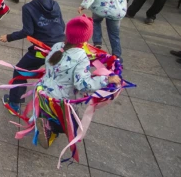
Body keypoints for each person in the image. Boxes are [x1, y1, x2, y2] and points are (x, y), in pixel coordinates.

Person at [35, 16, 121, 148]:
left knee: (48, 111)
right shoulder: (81, 56)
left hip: (44, 90)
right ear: (86, 38)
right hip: (62, 98)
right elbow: (82, 84)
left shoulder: (58, 46)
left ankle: (45, 122)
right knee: (70, 123)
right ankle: (50, 128)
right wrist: (106, 79)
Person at [0, 0, 65, 113]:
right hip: (60, 48)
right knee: (52, 75)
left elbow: (28, 31)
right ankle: (53, 105)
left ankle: (14, 103)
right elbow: (61, 25)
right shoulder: (55, 4)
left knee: (20, 71)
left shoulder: (28, 8)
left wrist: (9, 37)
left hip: (40, 50)